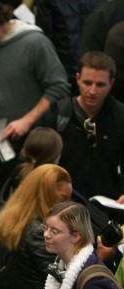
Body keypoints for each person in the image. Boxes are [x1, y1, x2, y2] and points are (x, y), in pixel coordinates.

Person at [0, 0, 69, 205]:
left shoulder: (35, 43)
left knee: (28, 210)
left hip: (28, 148)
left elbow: (59, 87)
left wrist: (27, 120)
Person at [40, 51, 124, 202]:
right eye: (87, 83)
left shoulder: (120, 116)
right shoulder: (57, 115)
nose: (92, 91)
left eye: (100, 85)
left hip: (108, 208)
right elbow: (39, 165)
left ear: (111, 83)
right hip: (62, 204)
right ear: (78, 79)